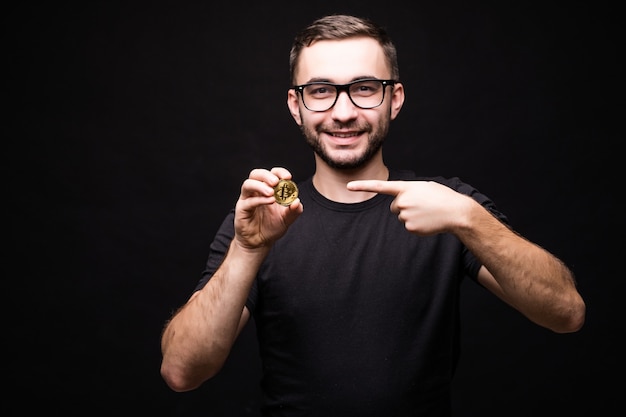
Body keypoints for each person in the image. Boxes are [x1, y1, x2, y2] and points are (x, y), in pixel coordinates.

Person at [160, 14, 586, 416]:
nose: (343, 113)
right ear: (296, 105)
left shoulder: (449, 205)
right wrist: (247, 249)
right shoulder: (261, 218)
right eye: (321, 90)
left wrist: (469, 218)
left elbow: (566, 313)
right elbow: (182, 372)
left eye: (364, 87)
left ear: (394, 98)